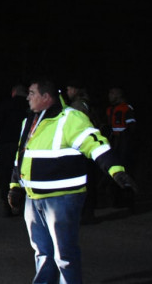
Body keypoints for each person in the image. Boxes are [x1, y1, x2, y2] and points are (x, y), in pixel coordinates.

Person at [7, 77, 138, 284]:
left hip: (62, 199)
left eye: (32, 93)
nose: (28, 98)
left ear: (46, 97)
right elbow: (20, 157)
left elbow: (95, 144)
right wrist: (15, 187)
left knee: (64, 254)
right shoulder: (28, 121)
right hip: (33, 199)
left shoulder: (70, 118)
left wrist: (116, 171)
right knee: (42, 252)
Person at [0, 83, 28, 217]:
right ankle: (23, 206)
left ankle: (7, 206)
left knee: (5, 176)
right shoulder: (30, 106)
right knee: (24, 176)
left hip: (7, 146)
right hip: (24, 147)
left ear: (14, 92)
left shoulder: (7, 104)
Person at [66, 80, 102, 224]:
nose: (67, 92)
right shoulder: (86, 103)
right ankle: (88, 212)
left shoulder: (78, 106)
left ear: (75, 89)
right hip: (88, 147)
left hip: (82, 148)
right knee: (88, 180)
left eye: (69, 89)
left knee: (83, 182)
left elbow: (77, 128)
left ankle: (86, 214)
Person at [105, 86, 137, 209]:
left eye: (112, 93)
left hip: (124, 144)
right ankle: (116, 200)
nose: (110, 95)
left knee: (126, 170)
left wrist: (127, 143)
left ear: (119, 94)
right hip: (113, 143)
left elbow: (131, 128)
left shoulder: (126, 108)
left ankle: (129, 201)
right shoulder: (110, 110)